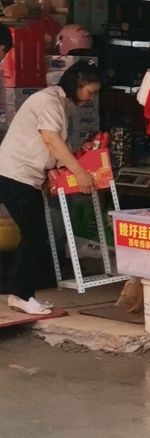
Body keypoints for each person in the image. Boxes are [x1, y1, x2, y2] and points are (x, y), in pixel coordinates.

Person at [0, 61, 101, 315]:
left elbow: (49, 147)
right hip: (15, 175)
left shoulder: (56, 102)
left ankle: (20, 293)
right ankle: (21, 294)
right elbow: (50, 139)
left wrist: (52, 175)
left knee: (35, 234)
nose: (91, 99)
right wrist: (80, 173)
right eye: (90, 92)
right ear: (77, 83)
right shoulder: (49, 101)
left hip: (23, 176)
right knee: (35, 235)